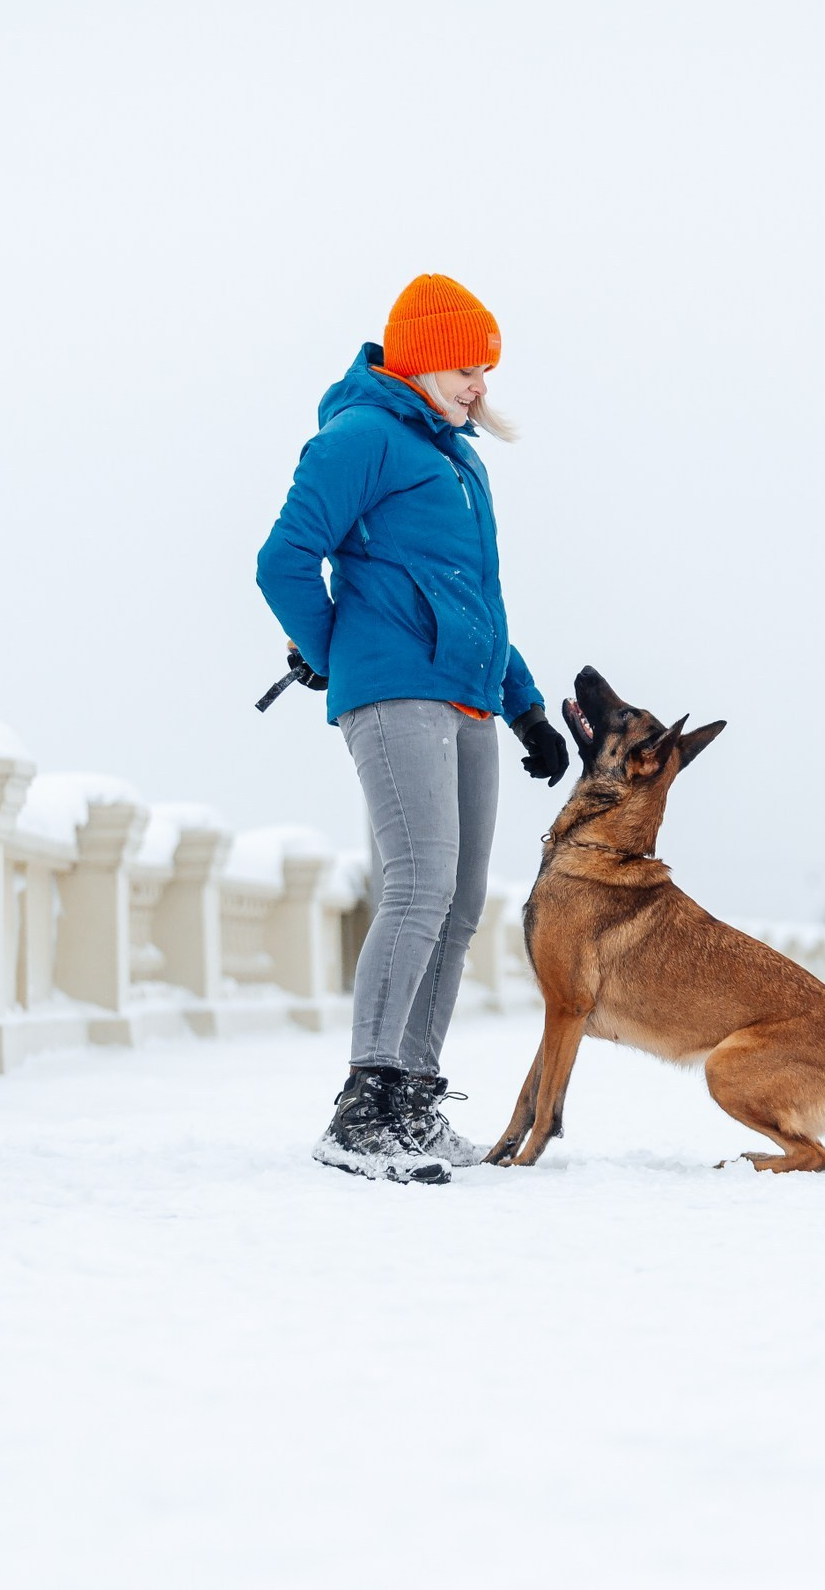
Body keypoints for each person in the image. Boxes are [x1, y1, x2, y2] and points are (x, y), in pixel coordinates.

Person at [255, 274, 570, 1184]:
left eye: (487, 370)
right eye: (469, 367)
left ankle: (412, 1101)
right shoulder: (361, 435)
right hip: (397, 690)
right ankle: (363, 1109)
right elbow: (283, 559)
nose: (481, 386)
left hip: (467, 695)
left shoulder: (460, 461)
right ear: (425, 359)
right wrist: (334, 649)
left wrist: (527, 706)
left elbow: (479, 600)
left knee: (461, 897)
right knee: (419, 880)